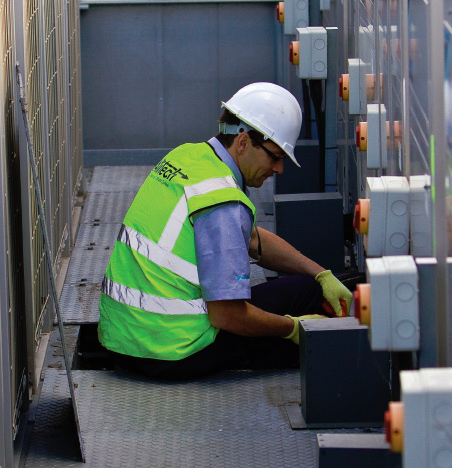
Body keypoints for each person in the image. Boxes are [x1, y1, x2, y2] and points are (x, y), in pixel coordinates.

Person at [98, 82, 352, 380]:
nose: (279, 169)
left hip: (124, 340)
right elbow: (227, 315)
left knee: (308, 284)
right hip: (174, 351)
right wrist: (295, 328)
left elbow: (252, 239)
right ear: (243, 142)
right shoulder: (223, 202)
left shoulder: (187, 158)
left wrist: (321, 274)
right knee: (302, 303)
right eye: (275, 157)